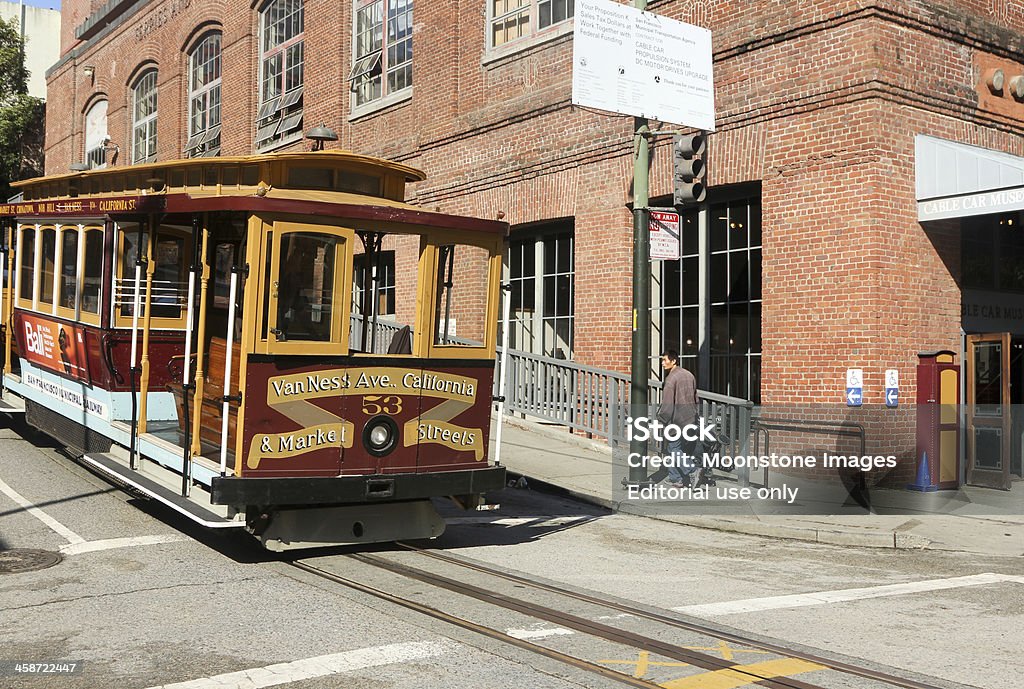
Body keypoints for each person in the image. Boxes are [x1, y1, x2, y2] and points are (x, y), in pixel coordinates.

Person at [649, 350, 700, 487]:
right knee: (678, 449)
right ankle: (675, 478)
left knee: (674, 449)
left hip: (676, 420)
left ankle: (693, 470)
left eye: (665, 360)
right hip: (690, 418)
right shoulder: (689, 375)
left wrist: (661, 420)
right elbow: (696, 398)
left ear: (674, 361)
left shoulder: (671, 379)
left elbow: (667, 405)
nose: (662, 363)